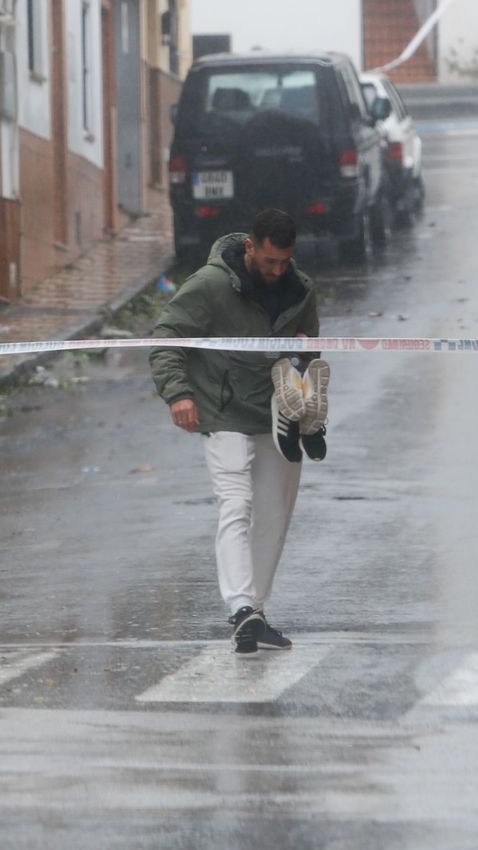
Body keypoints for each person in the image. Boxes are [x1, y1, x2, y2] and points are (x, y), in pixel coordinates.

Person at [149, 209, 329, 654]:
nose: (277, 270)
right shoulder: (210, 286)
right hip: (223, 410)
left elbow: (309, 346)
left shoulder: (300, 290)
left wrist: (304, 375)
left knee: (276, 512)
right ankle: (239, 606)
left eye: (285, 261)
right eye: (269, 261)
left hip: (276, 414)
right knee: (236, 502)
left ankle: (256, 610)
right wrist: (179, 394)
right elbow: (166, 335)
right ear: (250, 247)